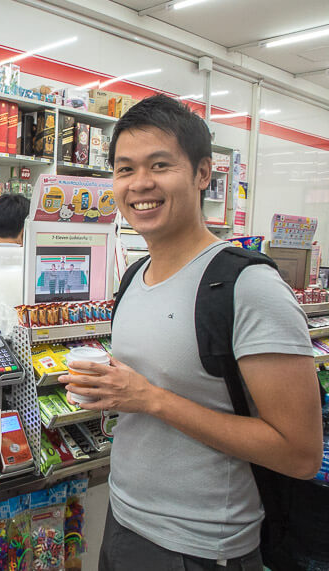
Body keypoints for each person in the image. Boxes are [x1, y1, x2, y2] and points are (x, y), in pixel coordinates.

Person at [57, 95, 322, 570]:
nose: (140, 184)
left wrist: (149, 398)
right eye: (124, 169)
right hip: (122, 522)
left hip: (201, 547)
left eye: (160, 165)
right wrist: (113, 388)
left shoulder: (248, 286)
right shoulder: (134, 277)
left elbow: (299, 453)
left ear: (203, 174)